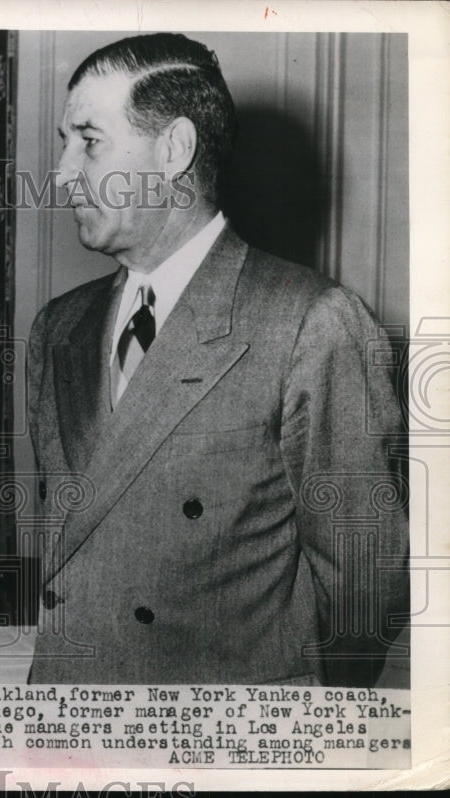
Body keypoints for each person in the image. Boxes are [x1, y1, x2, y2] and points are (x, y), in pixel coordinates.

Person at [27, 34, 408, 686]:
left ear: (173, 150)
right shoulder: (58, 328)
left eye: (88, 141)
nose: (61, 172)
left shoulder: (312, 323)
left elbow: (363, 593)